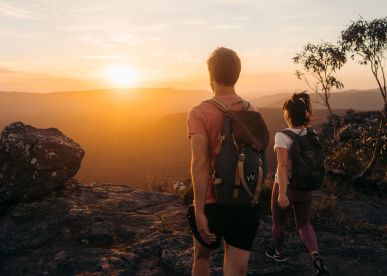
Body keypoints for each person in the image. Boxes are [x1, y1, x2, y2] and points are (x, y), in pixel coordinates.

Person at [186, 47, 260, 276]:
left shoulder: (200, 112)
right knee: (237, 271)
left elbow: (199, 163)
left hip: (212, 203)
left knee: (201, 259)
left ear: (211, 76)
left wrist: (199, 211)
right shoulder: (252, 110)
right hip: (245, 203)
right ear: (236, 75)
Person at [266, 92, 329, 275]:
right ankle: (315, 255)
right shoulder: (312, 133)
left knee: (278, 223)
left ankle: (278, 253)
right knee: (304, 224)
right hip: (305, 188)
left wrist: (282, 193)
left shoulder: (282, 136)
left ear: (288, 115)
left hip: (286, 188)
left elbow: (283, 166)